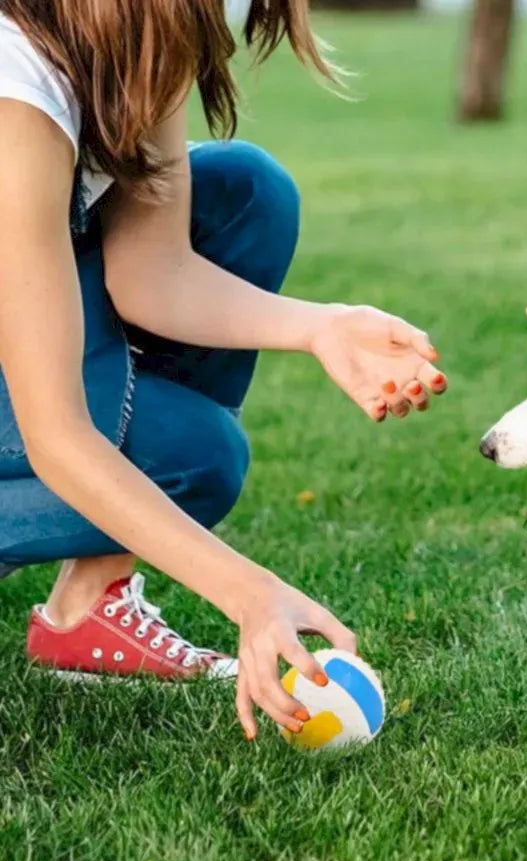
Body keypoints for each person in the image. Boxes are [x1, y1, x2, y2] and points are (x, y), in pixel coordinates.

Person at [0, 0, 447, 739]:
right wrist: (248, 593)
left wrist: (322, 326)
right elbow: (56, 436)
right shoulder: (17, 97)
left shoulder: (134, 43)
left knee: (245, 192)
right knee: (191, 456)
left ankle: (88, 610)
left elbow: (156, 274)